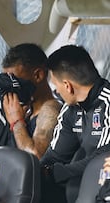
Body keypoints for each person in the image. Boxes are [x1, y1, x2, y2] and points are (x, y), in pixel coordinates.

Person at [40, 45, 110, 202]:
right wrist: (37, 172)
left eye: (55, 86)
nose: (56, 92)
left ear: (67, 85)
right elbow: (55, 155)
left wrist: (57, 173)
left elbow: (102, 158)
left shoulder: (107, 103)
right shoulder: (71, 109)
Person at [0, 43, 61, 159]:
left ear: (38, 75)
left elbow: (34, 158)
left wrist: (17, 122)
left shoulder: (50, 109)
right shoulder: (21, 107)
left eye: (15, 81)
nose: (11, 87)